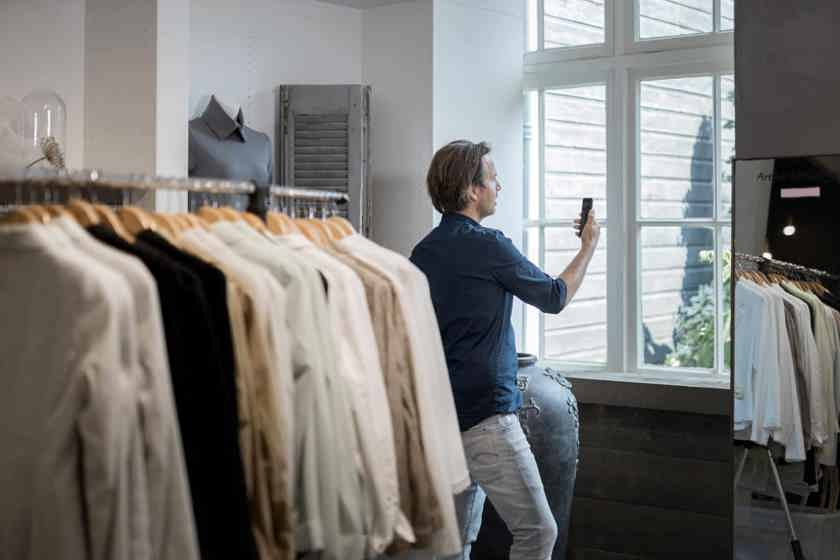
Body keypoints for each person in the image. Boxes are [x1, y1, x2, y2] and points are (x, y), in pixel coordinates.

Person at [410, 140, 601, 559]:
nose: (500, 186)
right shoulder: (489, 245)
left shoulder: (423, 252)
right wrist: (588, 247)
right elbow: (554, 296)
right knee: (539, 531)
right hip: (487, 422)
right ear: (471, 190)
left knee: (454, 543)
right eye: (493, 179)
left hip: (440, 421)